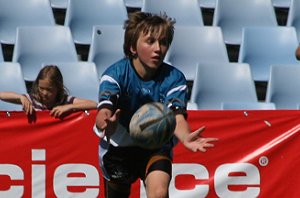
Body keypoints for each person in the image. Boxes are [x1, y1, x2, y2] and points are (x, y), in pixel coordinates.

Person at [94, 12, 218, 198]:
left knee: (159, 193)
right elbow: (104, 111)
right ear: (132, 47)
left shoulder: (174, 78)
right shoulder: (115, 74)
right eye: (150, 41)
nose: (158, 48)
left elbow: (176, 115)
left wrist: (185, 137)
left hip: (156, 144)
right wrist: (106, 124)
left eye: (163, 42)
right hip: (118, 146)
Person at [0, 65, 97, 118]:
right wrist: (20, 98)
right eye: (41, 88)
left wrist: (70, 107)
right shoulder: (32, 100)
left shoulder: (64, 101)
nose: (44, 93)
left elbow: (94, 104)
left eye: (49, 90)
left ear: (58, 88)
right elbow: (1, 95)